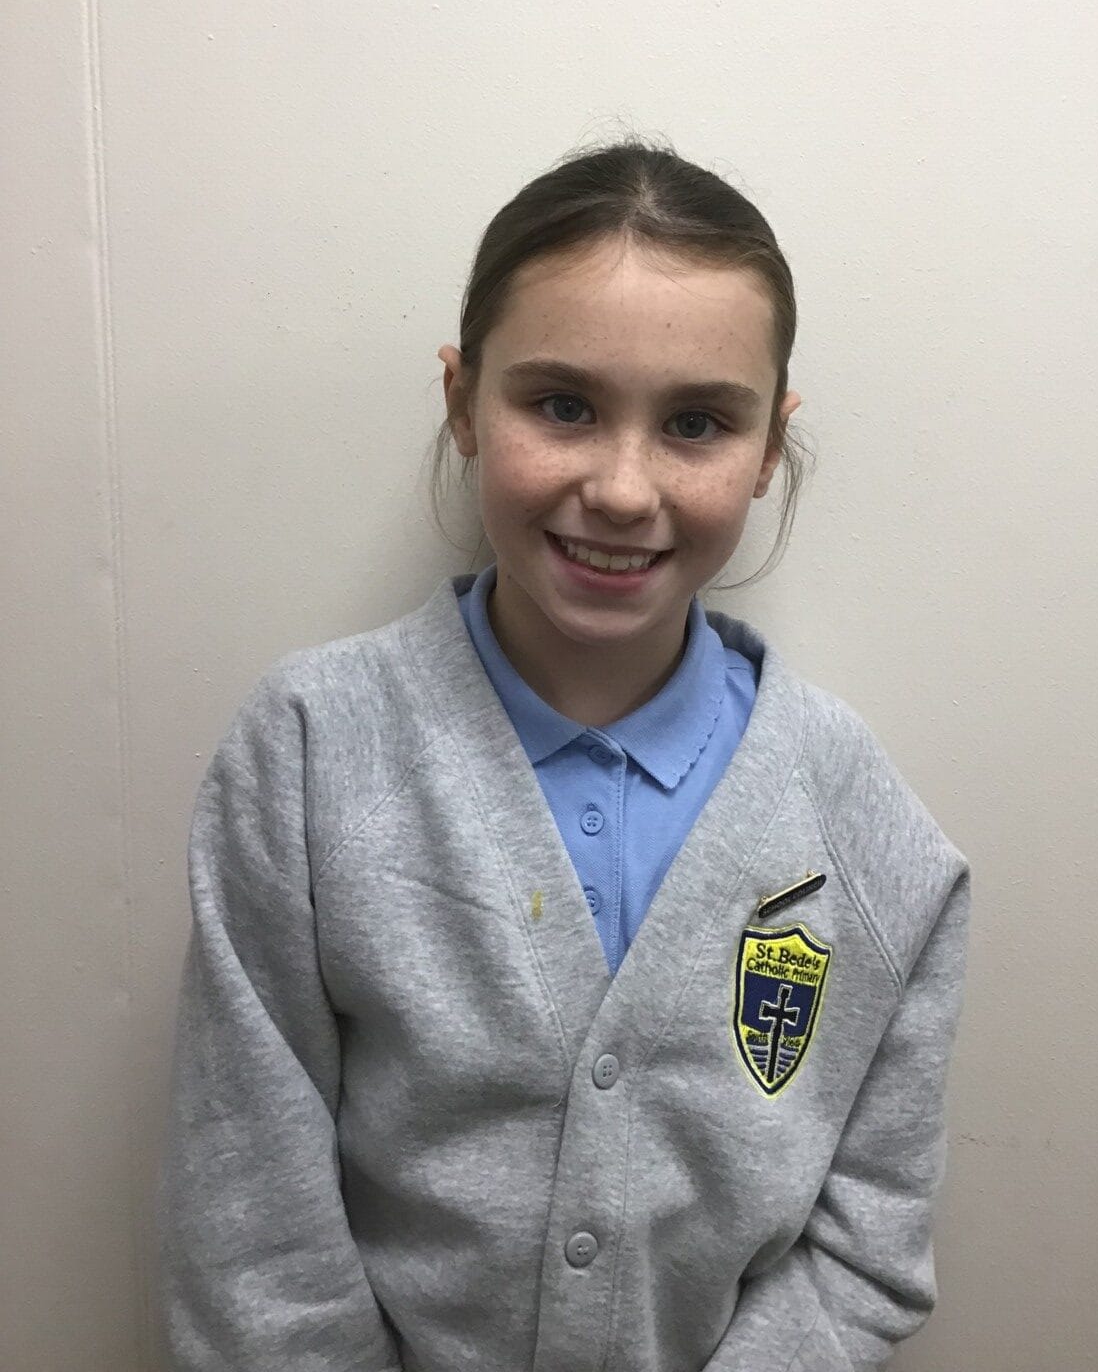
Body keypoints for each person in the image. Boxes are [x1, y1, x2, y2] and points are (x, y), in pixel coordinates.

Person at [157, 137, 970, 1372]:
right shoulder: (312, 752)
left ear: (768, 445)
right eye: (564, 406)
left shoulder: (866, 829)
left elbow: (870, 1245)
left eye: (696, 422)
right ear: (461, 401)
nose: (624, 489)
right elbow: (250, 1223)